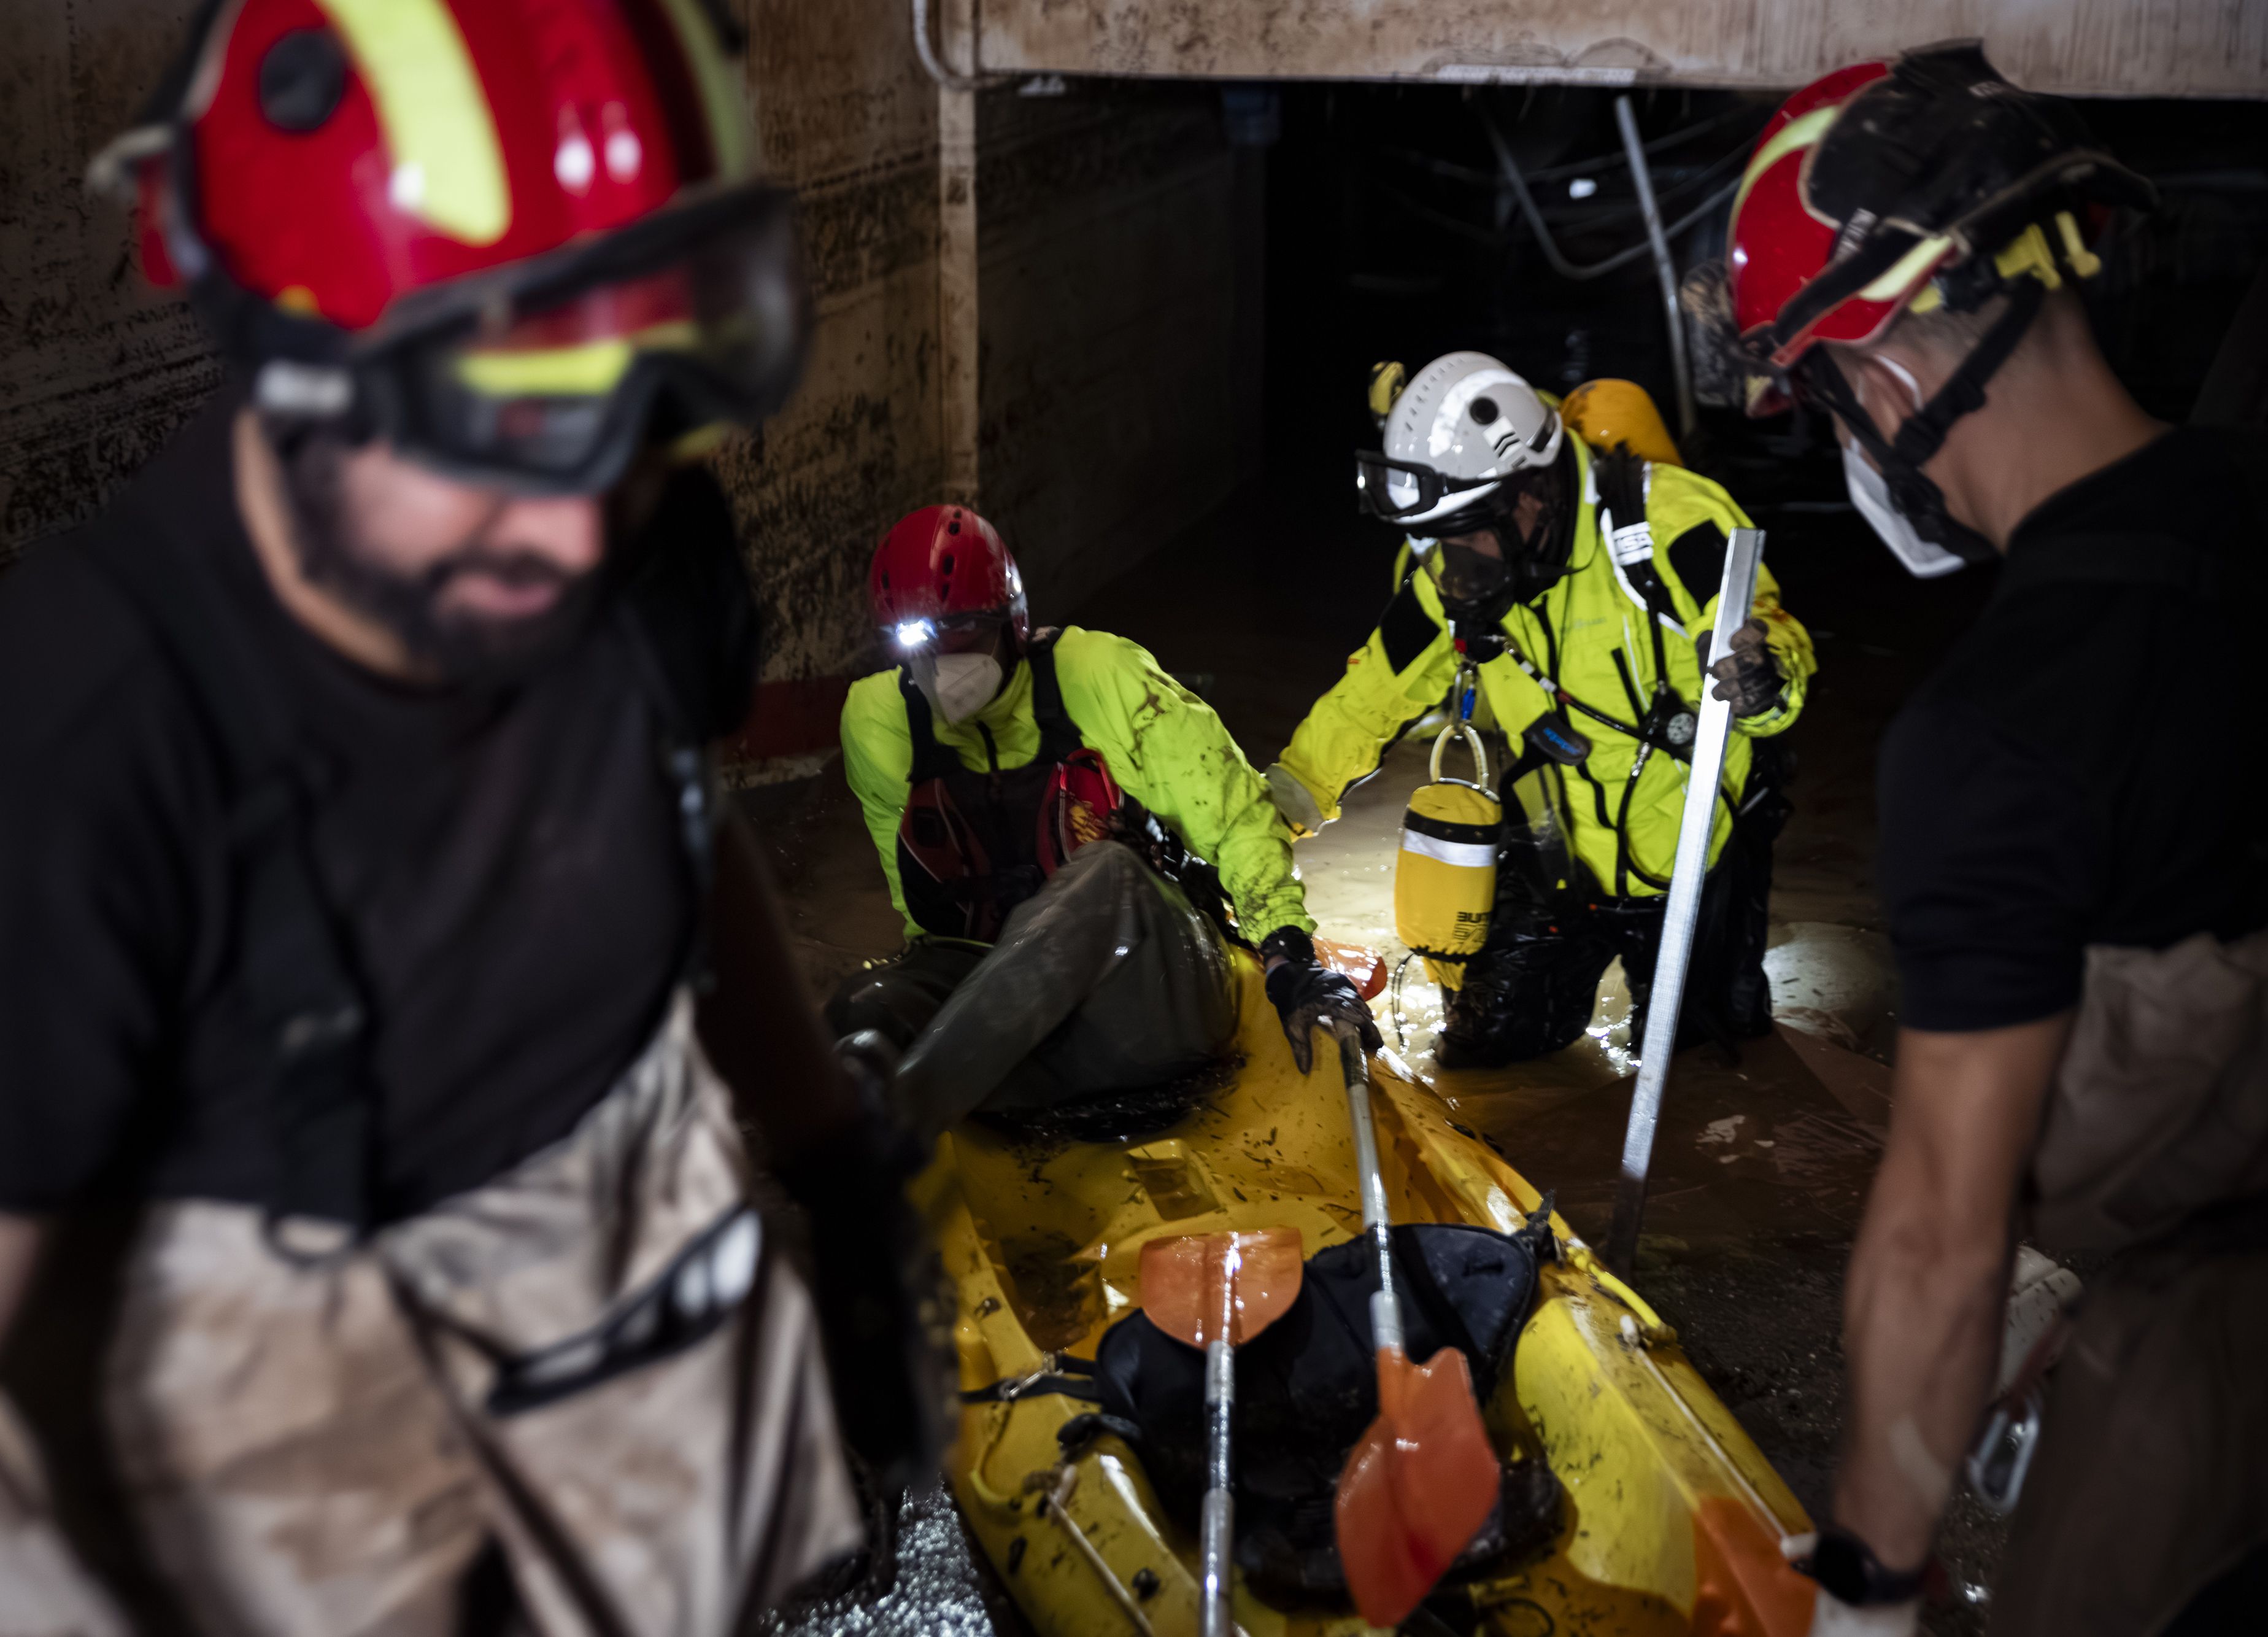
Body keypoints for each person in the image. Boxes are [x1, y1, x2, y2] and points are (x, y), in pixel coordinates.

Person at [0, 4, 941, 1632]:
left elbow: (671, 822)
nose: (572, 528)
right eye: (497, 430)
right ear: (293, 376)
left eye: (625, 417)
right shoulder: (60, 783)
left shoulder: (597, 545)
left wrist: (828, 1151)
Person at [1719, 44, 2268, 1637]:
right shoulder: (2246, 507)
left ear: (1883, 378)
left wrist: (1870, 1583)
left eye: (1827, 401)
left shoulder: (1996, 736)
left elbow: (1938, 1239)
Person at [1265, 353, 1815, 1067]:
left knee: (1708, 1073)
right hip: (1557, 850)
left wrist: (1765, 679)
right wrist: (1272, 815)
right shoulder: (1459, 575)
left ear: (1529, 493)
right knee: (1482, 1054)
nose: (1446, 567)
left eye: (1464, 533)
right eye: (1430, 542)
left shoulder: (1673, 525)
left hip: (1696, 858)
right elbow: (1367, 700)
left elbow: (1773, 652)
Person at [826, 505, 1379, 1139]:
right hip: (1019, 1028)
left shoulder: (1102, 677)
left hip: (1146, 1003)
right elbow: (922, 913)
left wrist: (1287, 955)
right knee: (861, 1010)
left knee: (1107, 871)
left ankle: (902, 1118)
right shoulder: (876, 722)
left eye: (967, 636)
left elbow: (1236, 820)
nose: (945, 670)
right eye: (923, 645)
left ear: (1012, 624)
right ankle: (906, 1102)